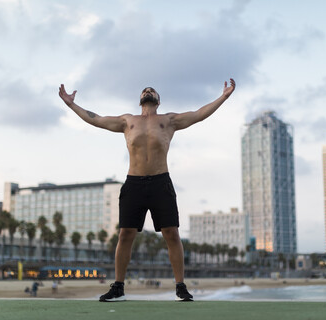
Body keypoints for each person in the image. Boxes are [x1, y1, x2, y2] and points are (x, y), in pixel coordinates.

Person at [58, 78, 236, 302]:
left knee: (172, 233)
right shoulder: (127, 121)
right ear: (140, 99)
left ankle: (180, 286)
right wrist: (71, 105)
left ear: (158, 100)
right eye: (145, 90)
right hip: (134, 183)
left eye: (152, 90)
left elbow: (199, 114)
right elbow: (97, 120)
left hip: (161, 182)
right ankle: (118, 287)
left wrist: (223, 97)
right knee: (125, 235)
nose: (148, 91)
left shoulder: (169, 120)